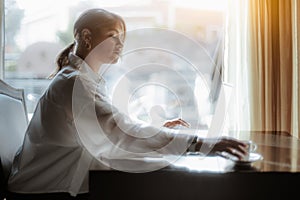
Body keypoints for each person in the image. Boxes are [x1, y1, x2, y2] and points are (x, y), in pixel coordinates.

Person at [7, 8, 247, 200]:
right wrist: (198, 143)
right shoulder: (74, 83)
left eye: (123, 38)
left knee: (160, 172)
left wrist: (160, 132)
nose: (121, 44)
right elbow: (117, 129)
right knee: (167, 181)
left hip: (55, 181)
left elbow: (112, 128)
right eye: (113, 36)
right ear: (87, 37)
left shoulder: (82, 79)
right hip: (47, 191)